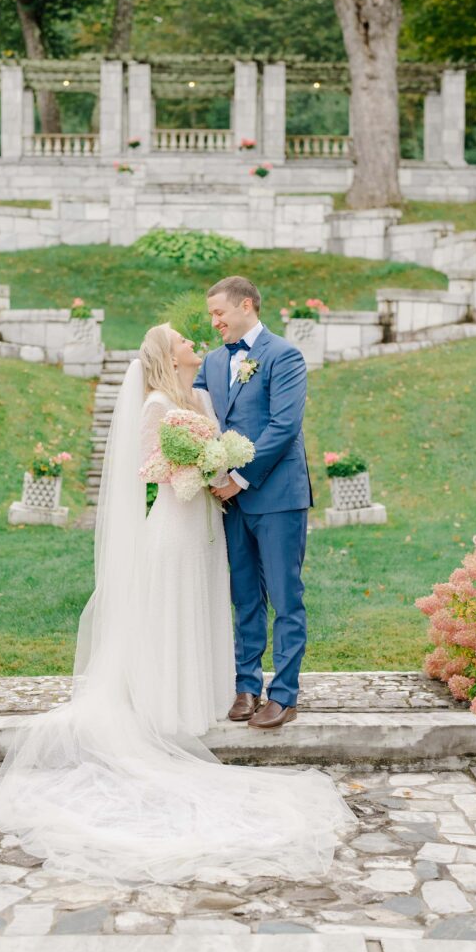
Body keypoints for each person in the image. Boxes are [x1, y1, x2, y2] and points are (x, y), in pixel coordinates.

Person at [0, 320, 354, 887]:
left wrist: (222, 467)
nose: (198, 341)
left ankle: (243, 689)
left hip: (216, 513)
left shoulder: (203, 388)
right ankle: (175, 698)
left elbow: (260, 426)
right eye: (185, 338)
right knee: (183, 605)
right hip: (180, 518)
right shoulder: (158, 402)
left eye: (208, 325)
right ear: (166, 354)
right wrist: (201, 469)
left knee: (230, 599)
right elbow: (150, 467)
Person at [195, 275, 313, 729]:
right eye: (211, 315)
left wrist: (239, 478)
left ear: (246, 305)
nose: (215, 322)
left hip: (278, 497)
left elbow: (283, 427)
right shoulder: (211, 361)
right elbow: (202, 418)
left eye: (219, 313)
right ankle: (247, 686)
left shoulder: (284, 356)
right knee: (243, 596)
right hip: (230, 502)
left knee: (285, 597)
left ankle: (283, 694)